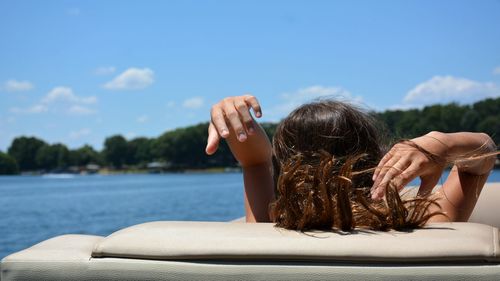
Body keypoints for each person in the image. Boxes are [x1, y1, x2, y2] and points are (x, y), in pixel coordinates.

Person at [205, 95, 497, 231]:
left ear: (284, 168)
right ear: (377, 157)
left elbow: (255, 163)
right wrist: (439, 143)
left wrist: (234, 117)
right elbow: (484, 153)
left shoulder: (266, 226)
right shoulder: (431, 222)